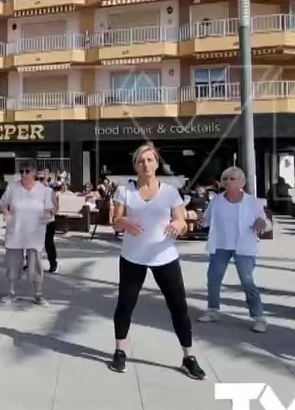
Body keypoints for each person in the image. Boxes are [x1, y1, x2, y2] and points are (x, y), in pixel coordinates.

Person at [108, 143, 205, 379]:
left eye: (150, 160)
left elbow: (182, 222)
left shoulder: (170, 191)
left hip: (165, 257)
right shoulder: (125, 191)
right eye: (141, 161)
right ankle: (120, 352)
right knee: (125, 306)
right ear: (136, 165)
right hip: (133, 257)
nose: (146, 164)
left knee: (179, 308)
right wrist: (125, 223)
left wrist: (177, 225)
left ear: (156, 163)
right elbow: (115, 221)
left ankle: (188, 356)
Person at [197, 166, 269, 332]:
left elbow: (264, 221)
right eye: (226, 179)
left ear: (241, 182)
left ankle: (259, 317)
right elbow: (207, 220)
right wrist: (200, 219)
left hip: (244, 246)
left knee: (247, 281)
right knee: (214, 278)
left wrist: (261, 224)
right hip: (221, 244)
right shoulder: (217, 200)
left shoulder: (252, 201)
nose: (228, 181)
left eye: (232, 178)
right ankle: (213, 310)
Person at [0, 165, 54, 306]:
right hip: (15, 231)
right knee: (13, 264)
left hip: (35, 232)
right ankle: (12, 293)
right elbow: (2, 203)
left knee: (36, 265)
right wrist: (5, 211)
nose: (23, 174)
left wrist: (50, 212)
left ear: (34, 173)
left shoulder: (44, 191)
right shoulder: (12, 187)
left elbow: (53, 207)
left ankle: (38, 294)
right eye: (21, 171)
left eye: (27, 171)